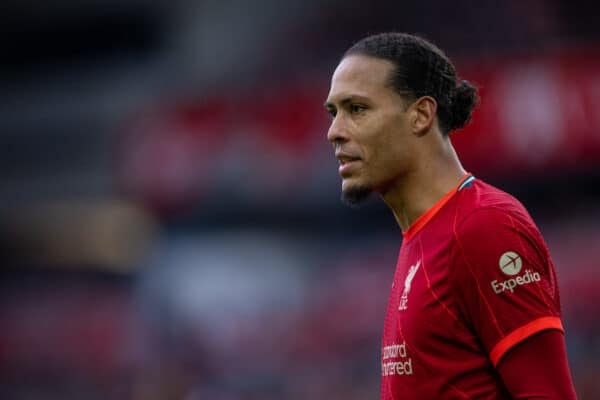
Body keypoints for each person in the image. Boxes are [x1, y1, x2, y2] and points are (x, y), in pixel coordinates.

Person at [324, 32, 577, 399]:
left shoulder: (484, 226)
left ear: (421, 115)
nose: (334, 132)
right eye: (334, 113)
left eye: (357, 109)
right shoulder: (424, 236)